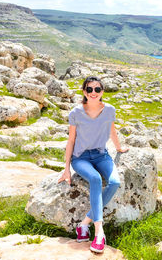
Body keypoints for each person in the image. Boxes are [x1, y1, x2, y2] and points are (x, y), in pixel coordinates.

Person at [58, 76, 128, 253]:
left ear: (102, 92)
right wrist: (66, 168)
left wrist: (119, 148)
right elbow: (71, 140)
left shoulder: (109, 110)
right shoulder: (76, 112)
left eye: (97, 89)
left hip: (101, 155)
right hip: (81, 158)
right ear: (84, 92)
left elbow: (112, 131)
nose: (94, 93)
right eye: (89, 89)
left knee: (115, 182)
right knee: (95, 179)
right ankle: (99, 232)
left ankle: (84, 224)